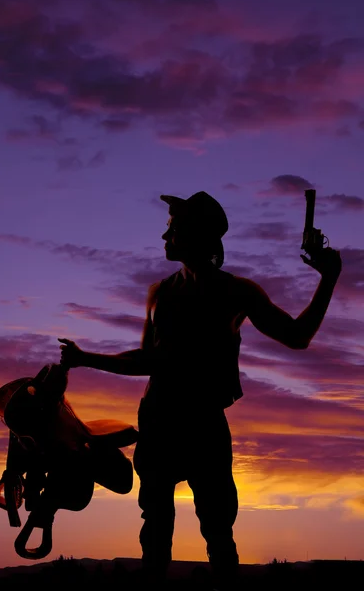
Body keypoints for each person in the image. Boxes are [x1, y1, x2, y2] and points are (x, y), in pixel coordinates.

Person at [58, 191, 342, 590]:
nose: (164, 236)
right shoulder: (160, 292)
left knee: (217, 530)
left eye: (172, 230)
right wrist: (87, 358)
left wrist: (329, 279)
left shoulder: (236, 292)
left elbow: (296, 337)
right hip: (157, 420)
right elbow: (146, 360)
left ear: (194, 236)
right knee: (155, 528)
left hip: (203, 424)